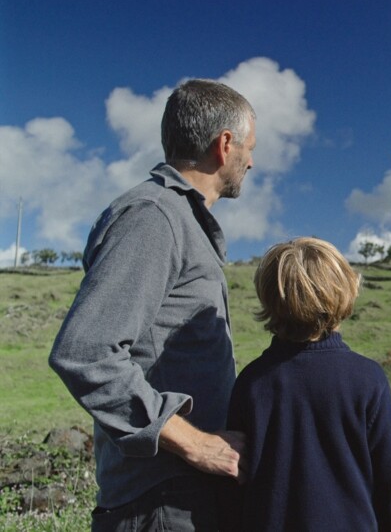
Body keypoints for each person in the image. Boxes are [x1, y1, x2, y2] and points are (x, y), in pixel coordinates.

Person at [49, 79, 256, 531]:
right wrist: (196, 444)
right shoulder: (155, 216)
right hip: (160, 501)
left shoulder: (178, 219)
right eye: (249, 148)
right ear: (225, 145)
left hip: (177, 495)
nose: (251, 161)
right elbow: (84, 353)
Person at [220, 237, 391, 531]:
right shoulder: (367, 378)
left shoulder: (251, 382)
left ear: (269, 298)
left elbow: (234, 486)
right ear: (344, 291)